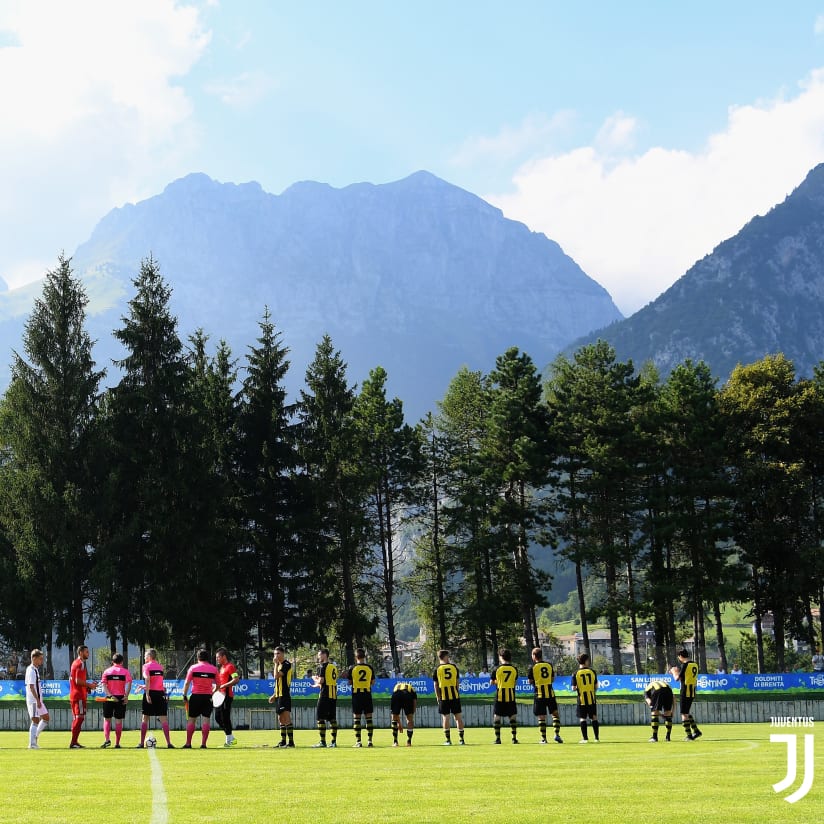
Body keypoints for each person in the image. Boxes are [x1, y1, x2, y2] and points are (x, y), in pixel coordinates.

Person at [182, 649, 219, 748]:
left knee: (191, 720)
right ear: (208, 658)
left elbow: (186, 683)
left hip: (195, 697)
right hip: (208, 697)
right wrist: (212, 692)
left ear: (197, 658)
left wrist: (184, 695)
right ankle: (203, 744)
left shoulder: (193, 668)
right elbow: (219, 685)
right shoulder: (214, 669)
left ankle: (188, 743)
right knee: (206, 720)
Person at [527, 647, 562, 744]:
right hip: (550, 694)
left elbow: (530, 681)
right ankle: (557, 735)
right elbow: (552, 679)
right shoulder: (549, 665)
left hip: (539, 695)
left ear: (534, 656)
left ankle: (544, 739)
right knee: (555, 714)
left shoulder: (532, 667)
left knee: (541, 717)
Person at [139, 649, 173, 748]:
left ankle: (141, 743)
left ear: (149, 656)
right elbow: (158, 684)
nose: (144, 657)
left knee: (145, 718)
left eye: (145, 655)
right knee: (164, 719)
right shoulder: (160, 667)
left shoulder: (146, 666)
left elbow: (148, 679)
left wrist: (147, 694)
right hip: (160, 694)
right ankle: (169, 743)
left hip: (151, 693)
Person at [432, 649, 465, 745]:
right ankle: (461, 740)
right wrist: (456, 692)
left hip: (443, 697)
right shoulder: (454, 667)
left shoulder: (437, 669)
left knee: (445, 718)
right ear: (445, 657)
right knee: (458, 718)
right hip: (455, 696)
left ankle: (448, 740)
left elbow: (436, 685)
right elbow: (457, 682)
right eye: (448, 656)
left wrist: (438, 697)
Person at [100, 653, 132, 748]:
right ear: (122, 662)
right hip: (121, 698)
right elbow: (129, 683)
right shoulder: (125, 672)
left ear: (112, 661)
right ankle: (117, 743)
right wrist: (126, 696)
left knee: (107, 719)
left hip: (110, 698)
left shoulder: (107, 671)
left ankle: (107, 740)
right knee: (118, 721)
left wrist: (110, 695)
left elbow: (104, 684)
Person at [68, 644, 97, 749]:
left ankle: (74, 741)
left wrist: (87, 688)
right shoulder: (80, 663)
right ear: (80, 653)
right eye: (86, 652)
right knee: (79, 718)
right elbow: (77, 680)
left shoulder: (75, 663)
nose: (88, 653)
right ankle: (73, 742)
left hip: (75, 694)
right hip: (79, 695)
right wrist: (89, 685)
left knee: (77, 718)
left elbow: (74, 680)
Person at [671, 649, 702, 741]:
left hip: (685, 690)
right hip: (692, 690)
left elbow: (677, 678)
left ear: (680, 656)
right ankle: (696, 731)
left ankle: (689, 736)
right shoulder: (695, 664)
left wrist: (674, 671)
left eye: (678, 657)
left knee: (683, 714)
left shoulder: (685, 665)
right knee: (686, 712)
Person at [348, 647, 376, 748]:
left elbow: (349, 682)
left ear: (356, 657)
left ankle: (358, 741)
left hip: (357, 695)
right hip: (367, 694)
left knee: (357, 718)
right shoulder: (370, 668)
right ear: (364, 656)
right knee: (369, 718)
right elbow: (373, 682)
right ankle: (370, 741)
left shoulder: (352, 668)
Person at [268, 645, 295, 747]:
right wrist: (274, 695)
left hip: (285, 695)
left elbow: (276, 676)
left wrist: (275, 664)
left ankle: (291, 742)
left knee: (286, 718)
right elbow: (277, 683)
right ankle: (283, 741)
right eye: (275, 654)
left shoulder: (286, 664)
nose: (276, 655)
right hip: (279, 695)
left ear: (283, 654)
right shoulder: (279, 665)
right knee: (280, 718)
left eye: (278, 653)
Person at [490, 647, 519, 744]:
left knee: (497, 716)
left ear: (501, 657)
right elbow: (515, 683)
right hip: (511, 695)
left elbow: (492, 682)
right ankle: (514, 738)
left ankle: (498, 739)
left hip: (500, 696)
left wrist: (498, 682)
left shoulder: (497, 669)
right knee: (512, 717)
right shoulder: (514, 669)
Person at [312, 648, 339, 748]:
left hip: (325, 695)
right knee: (332, 719)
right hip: (333, 694)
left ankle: (322, 742)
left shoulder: (322, 667)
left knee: (320, 718)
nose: (318, 657)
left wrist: (315, 679)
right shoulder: (333, 667)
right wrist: (317, 684)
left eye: (319, 655)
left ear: (324, 655)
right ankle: (333, 742)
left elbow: (322, 681)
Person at [571, 652, 599, 743]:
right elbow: (596, 687)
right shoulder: (592, 672)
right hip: (592, 699)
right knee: (594, 717)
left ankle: (585, 739)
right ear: (586, 661)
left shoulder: (575, 673)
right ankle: (596, 738)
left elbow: (573, 688)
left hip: (581, 699)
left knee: (583, 718)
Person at [215, 647, 241, 747]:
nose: (217, 659)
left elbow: (236, 679)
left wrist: (224, 685)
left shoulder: (230, 666)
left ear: (224, 657)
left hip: (227, 696)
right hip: (220, 696)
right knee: (218, 718)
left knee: (225, 717)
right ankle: (231, 737)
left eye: (218, 657)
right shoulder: (221, 668)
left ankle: (228, 741)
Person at [25, 649, 49, 749]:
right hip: (34, 700)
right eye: (40, 659)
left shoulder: (35, 669)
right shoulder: (31, 670)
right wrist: (37, 700)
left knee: (46, 718)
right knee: (35, 720)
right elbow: (31, 687)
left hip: (38, 700)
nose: (41, 661)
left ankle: (35, 736)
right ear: (34, 658)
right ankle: (32, 744)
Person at [390, 681, 417, 747]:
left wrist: (399, 723)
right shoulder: (411, 688)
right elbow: (414, 701)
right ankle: (409, 741)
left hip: (396, 695)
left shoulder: (396, 686)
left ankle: (395, 742)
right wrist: (413, 711)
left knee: (394, 718)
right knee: (409, 719)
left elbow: (396, 715)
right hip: (407, 696)